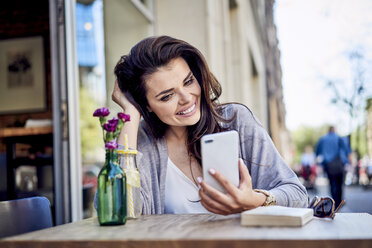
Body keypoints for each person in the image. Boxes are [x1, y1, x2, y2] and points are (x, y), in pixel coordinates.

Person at [112, 35, 308, 215]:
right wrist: (130, 112)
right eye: (167, 96)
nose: (187, 98)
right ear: (146, 105)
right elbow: (119, 211)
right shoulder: (140, 142)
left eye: (189, 81)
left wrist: (255, 200)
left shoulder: (236, 121)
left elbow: (298, 196)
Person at [315, 126, 348, 207]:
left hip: (329, 165)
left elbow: (317, 151)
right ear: (334, 130)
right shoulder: (339, 138)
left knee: (332, 184)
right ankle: (340, 201)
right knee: (339, 184)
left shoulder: (323, 139)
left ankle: (334, 202)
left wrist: (320, 162)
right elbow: (345, 150)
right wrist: (346, 162)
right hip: (339, 164)